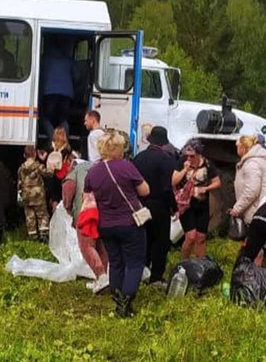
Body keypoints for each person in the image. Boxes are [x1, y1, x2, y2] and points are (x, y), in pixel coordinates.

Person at [84, 130, 150, 317]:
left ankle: (117, 296)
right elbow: (145, 191)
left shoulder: (93, 171)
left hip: (105, 225)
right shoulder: (126, 167)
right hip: (130, 222)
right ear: (119, 148)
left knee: (116, 262)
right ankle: (125, 303)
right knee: (135, 262)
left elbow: (88, 195)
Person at [133, 126, 177, 286]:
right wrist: (174, 207)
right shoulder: (167, 160)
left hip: (141, 205)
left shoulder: (139, 157)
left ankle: (142, 270)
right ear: (163, 142)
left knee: (144, 238)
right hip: (160, 206)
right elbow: (167, 188)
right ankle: (156, 276)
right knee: (160, 241)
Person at [62, 159, 110, 294]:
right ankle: (102, 278)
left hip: (85, 213)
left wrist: (68, 208)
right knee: (101, 246)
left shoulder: (76, 170)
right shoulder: (102, 168)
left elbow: (68, 189)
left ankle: (101, 277)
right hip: (104, 214)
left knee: (87, 246)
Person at [173, 139, 221, 259]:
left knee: (201, 237)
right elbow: (173, 181)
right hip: (186, 203)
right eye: (187, 155)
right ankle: (183, 263)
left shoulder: (207, 164)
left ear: (199, 155)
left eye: (192, 156)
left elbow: (217, 182)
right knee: (190, 236)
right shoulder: (182, 162)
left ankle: (201, 265)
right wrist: (184, 170)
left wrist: (206, 188)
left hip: (202, 203)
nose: (189, 158)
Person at [230, 135, 266, 226]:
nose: (236, 149)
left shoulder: (252, 164)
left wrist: (237, 209)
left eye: (238, 146)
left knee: (253, 239)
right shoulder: (265, 159)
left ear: (243, 148)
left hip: (257, 211)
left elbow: (251, 191)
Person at [39, 37, 75, 140]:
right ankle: (65, 142)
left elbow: (40, 76)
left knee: (45, 117)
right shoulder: (67, 58)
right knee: (62, 119)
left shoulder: (45, 58)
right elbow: (75, 76)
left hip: (50, 92)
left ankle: (53, 140)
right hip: (67, 94)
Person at [18, 145, 50, 242]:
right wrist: (50, 166)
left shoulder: (21, 169)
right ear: (35, 154)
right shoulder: (38, 166)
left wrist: (21, 193)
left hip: (26, 196)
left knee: (29, 216)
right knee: (42, 215)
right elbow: (48, 173)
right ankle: (43, 235)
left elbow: (20, 183)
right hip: (38, 196)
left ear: (24, 155)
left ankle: (33, 236)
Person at [43, 126, 73, 211]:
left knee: (53, 196)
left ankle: (53, 211)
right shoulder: (67, 148)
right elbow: (70, 160)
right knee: (60, 196)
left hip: (51, 175)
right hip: (61, 175)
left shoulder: (50, 146)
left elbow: (43, 157)